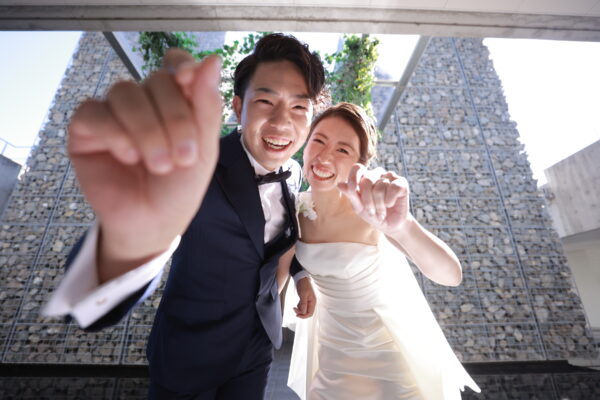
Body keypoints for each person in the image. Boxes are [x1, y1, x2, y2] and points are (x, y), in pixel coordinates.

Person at [43, 33, 323, 399]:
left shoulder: (295, 173)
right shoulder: (196, 167)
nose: (282, 123)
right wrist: (131, 239)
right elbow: (87, 304)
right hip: (189, 353)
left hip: (256, 349)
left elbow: (276, 241)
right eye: (266, 101)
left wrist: (301, 275)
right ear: (238, 107)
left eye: (299, 107)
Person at [281, 102, 481, 399]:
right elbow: (290, 256)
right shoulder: (296, 206)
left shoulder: (372, 209)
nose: (324, 156)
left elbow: (451, 275)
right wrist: (302, 280)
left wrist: (402, 226)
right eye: (319, 141)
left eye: (342, 150)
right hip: (332, 358)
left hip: (386, 364)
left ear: (360, 164)